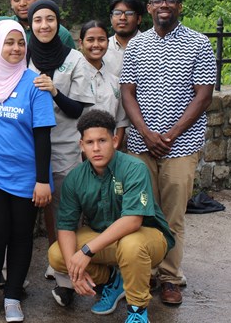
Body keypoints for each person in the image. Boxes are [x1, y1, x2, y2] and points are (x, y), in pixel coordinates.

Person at [120, 0, 216, 305]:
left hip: (182, 145)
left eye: (170, 0)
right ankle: (145, 273)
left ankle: (170, 277)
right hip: (140, 145)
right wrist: (146, 133)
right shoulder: (136, 45)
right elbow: (127, 92)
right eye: (158, 1)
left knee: (172, 215)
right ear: (149, 8)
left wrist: (171, 134)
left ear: (179, 6)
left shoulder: (199, 43)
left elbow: (203, 96)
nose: (164, 5)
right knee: (143, 212)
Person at [47, 109, 174, 323]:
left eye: (102, 140)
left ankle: (137, 310)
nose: (96, 148)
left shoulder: (134, 168)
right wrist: (73, 268)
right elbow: (66, 226)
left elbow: (133, 220)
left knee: (131, 245)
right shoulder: (75, 178)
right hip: (105, 239)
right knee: (58, 254)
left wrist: (86, 252)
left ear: (115, 141)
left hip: (147, 238)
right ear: (81, 146)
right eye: (89, 142)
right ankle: (113, 280)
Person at [0, 20, 55, 322]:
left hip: (27, 178)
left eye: (20, 43)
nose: (16, 48)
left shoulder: (35, 84)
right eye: (9, 42)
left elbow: (43, 136)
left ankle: (14, 297)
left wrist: (43, 181)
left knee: (21, 237)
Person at [27, 0, 95, 278]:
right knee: (23, 210)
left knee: (63, 210)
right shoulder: (20, 54)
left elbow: (78, 109)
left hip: (64, 145)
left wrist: (55, 91)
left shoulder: (74, 58)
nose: (44, 25)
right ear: (30, 25)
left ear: (58, 23)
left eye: (50, 19)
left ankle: (60, 265)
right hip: (26, 146)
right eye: (38, 20)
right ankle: (16, 270)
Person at [78, 20, 129, 144]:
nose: (96, 45)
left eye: (101, 39)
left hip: (111, 150)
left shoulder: (115, 81)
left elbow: (121, 121)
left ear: (107, 42)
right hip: (79, 151)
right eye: (90, 40)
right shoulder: (75, 77)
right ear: (81, 43)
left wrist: (113, 149)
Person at [104, 0, 145, 77]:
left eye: (129, 13)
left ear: (139, 19)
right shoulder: (103, 48)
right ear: (111, 18)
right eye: (117, 13)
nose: (122, 18)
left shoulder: (151, 47)